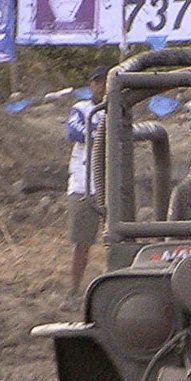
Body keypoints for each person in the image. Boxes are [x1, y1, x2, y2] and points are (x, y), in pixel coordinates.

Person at [63, 66, 109, 311]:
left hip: (110, 181)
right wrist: (99, 132)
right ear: (90, 85)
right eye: (96, 82)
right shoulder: (81, 108)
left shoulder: (118, 109)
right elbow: (73, 131)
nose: (100, 87)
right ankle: (73, 291)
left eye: (104, 82)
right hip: (83, 183)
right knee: (81, 241)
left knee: (117, 239)